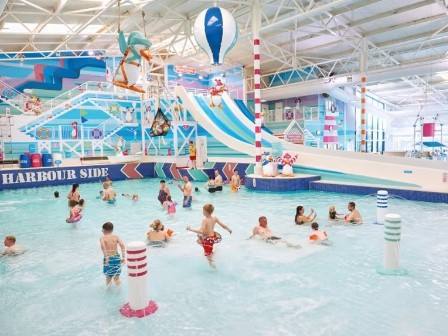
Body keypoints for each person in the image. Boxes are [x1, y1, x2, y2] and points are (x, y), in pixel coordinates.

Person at [186, 203, 232, 268]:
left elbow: (201, 231)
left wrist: (190, 229)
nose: (202, 212)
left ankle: (213, 266)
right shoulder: (215, 218)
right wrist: (228, 229)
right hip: (213, 237)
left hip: (207, 239)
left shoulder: (205, 220)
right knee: (200, 240)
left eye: (203, 210)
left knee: (208, 256)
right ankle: (210, 251)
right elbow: (222, 225)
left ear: (206, 212)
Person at [100, 222, 125, 286]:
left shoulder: (102, 238)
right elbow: (122, 245)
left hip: (109, 259)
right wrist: (123, 257)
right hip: (117, 258)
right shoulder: (116, 237)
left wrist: (107, 258)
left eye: (102, 229)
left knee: (108, 278)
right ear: (112, 230)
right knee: (117, 278)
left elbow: (103, 248)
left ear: (104, 230)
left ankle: (109, 293)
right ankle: (119, 292)